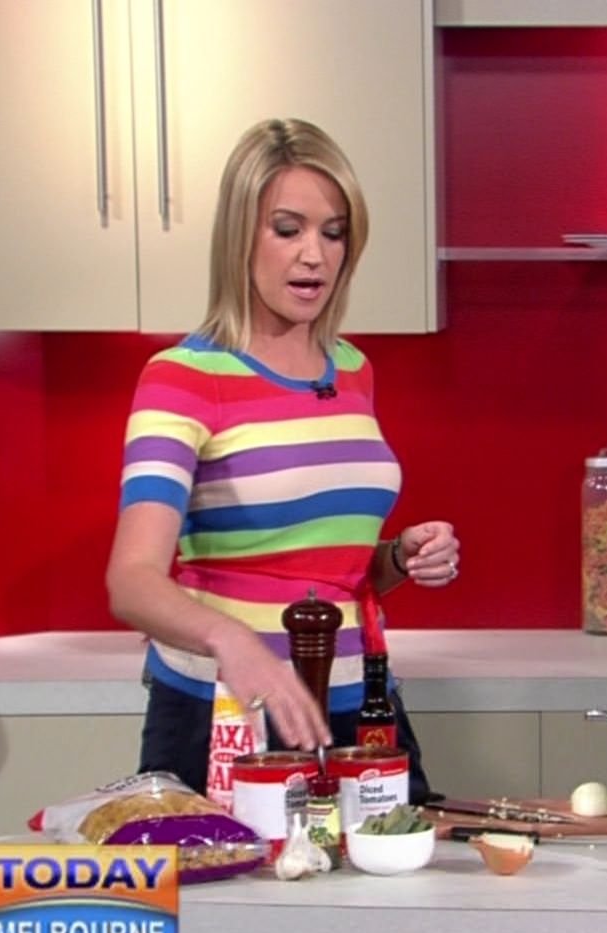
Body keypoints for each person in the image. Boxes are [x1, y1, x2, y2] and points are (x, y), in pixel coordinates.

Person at [106, 117, 458, 799]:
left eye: (334, 233)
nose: (314, 256)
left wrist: (397, 557)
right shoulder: (183, 377)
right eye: (288, 229)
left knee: (400, 866)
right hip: (225, 713)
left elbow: (323, 572)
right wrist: (233, 641)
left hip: (358, 706)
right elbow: (132, 580)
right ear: (241, 235)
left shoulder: (352, 370)